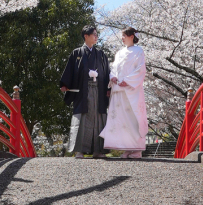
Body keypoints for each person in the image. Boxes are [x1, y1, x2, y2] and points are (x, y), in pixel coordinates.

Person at [59, 24, 111, 158]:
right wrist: (65, 84)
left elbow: (106, 72)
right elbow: (70, 70)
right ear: (86, 36)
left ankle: (98, 150)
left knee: (98, 119)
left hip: (98, 90)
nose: (96, 36)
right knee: (82, 120)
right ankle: (80, 150)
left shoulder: (100, 54)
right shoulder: (77, 53)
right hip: (83, 91)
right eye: (93, 34)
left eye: (96, 34)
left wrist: (108, 88)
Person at [101, 27, 148, 159]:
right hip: (118, 89)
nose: (122, 38)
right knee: (121, 118)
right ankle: (127, 148)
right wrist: (113, 77)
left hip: (131, 90)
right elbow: (114, 68)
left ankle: (136, 150)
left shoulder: (139, 51)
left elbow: (140, 70)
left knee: (132, 118)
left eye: (124, 36)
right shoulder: (119, 52)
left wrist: (127, 81)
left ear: (131, 36)